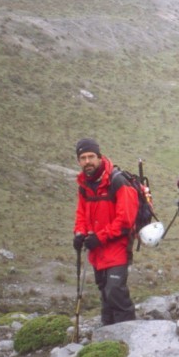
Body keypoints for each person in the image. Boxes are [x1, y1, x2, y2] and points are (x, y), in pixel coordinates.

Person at [72, 137, 137, 325]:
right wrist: (79, 233)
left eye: (91, 156)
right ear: (78, 161)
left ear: (100, 157)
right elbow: (81, 214)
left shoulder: (117, 181)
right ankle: (108, 335)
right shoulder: (85, 185)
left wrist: (100, 237)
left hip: (118, 246)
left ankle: (128, 334)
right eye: (83, 158)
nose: (87, 161)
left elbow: (125, 220)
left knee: (115, 291)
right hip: (97, 250)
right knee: (105, 293)